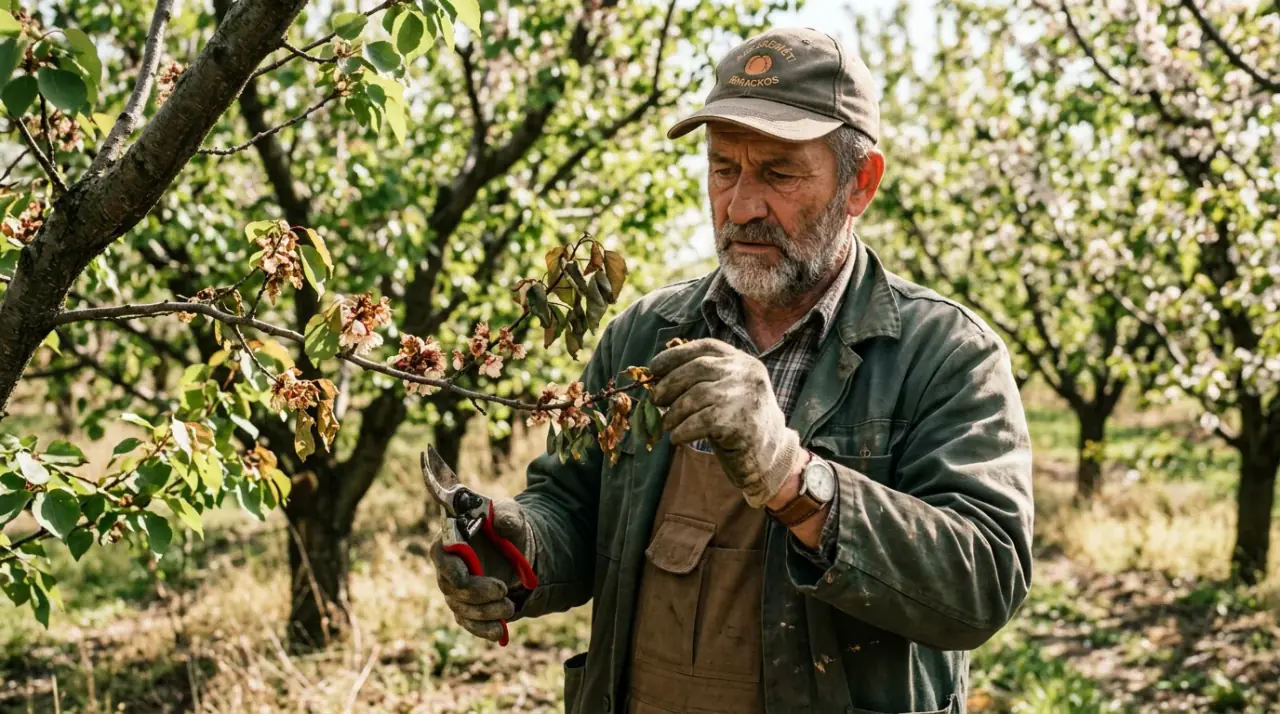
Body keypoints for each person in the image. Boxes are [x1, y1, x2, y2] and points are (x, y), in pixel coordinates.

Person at [430, 26, 1034, 714]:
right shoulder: (644, 333)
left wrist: (796, 482)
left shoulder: (944, 353)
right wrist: (520, 548)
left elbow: (986, 581)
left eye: (778, 173)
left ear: (860, 183)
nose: (741, 205)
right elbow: (575, 506)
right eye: (724, 169)